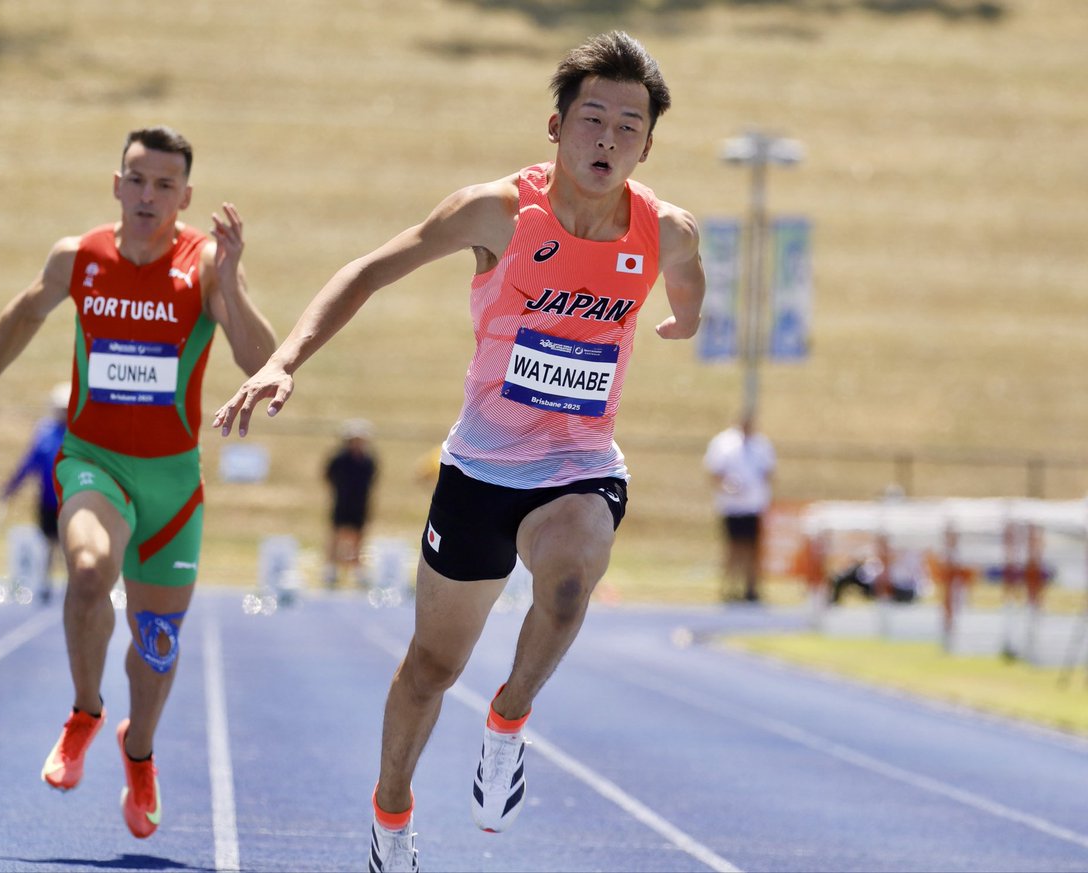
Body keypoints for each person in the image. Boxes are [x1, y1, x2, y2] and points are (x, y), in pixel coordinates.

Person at [213, 31, 704, 872]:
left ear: (648, 144)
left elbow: (690, 288)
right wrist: (284, 359)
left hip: (579, 464)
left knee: (574, 574)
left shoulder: (666, 232)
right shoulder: (501, 213)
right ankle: (392, 814)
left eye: (629, 127)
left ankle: (508, 722)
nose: (608, 140)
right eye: (593, 119)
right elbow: (368, 271)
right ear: (555, 126)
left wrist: (681, 321)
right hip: (480, 471)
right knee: (431, 667)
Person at [0, 126, 275, 840]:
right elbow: (23, 313)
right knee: (86, 570)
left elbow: (263, 365)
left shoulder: (203, 266)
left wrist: (232, 280)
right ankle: (85, 709)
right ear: (116, 183)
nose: (148, 196)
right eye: (137, 180)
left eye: (164, 185)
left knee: (156, 647)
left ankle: (137, 747)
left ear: (186, 195)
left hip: (173, 486)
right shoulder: (78, 257)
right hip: (95, 461)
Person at [0, 382, 72, 604]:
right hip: (49, 500)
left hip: (72, 498)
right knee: (49, 543)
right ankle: (46, 583)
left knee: (72, 545)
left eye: (66, 409)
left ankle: (73, 587)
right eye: (60, 408)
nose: (63, 413)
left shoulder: (78, 434)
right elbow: (31, 463)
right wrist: (11, 488)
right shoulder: (45, 432)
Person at [703, 413, 776, 603]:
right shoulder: (724, 443)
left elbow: (769, 473)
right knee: (733, 548)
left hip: (754, 506)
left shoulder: (761, 445)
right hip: (732, 507)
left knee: (753, 549)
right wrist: (728, 486)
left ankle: (751, 588)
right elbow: (714, 472)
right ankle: (729, 588)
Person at [322, 418, 378, 589]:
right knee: (336, 535)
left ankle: (357, 571)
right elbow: (328, 476)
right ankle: (331, 570)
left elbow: (371, 481)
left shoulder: (368, 461)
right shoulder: (339, 459)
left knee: (358, 537)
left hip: (360, 503)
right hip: (342, 502)